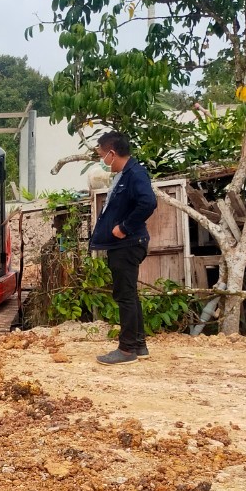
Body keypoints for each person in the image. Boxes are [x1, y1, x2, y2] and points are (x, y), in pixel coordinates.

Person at [89, 131, 157, 364]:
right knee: (129, 294)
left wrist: (125, 227)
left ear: (112, 153)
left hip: (127, 244)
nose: (101, 160)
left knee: (125, 296)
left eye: (101, 154)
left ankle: (126, 350)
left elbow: (148, 202)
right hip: (125, 245)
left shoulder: (135, 174)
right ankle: (138, 345)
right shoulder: (124, 174)